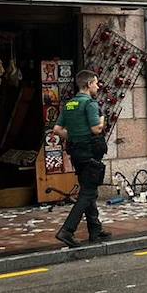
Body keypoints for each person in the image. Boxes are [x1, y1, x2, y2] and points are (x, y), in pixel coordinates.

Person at [53, 70, 110, 247]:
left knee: (88, 188)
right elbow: (96, 130)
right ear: (88, 85)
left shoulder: (70, 104)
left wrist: (71, 136)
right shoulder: (90, 104)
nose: (97, 86)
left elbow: (57, 129)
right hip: (90, 152)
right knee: (88, 193)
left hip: (76, 153)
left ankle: (95, 228)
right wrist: (102, 119)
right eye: (95, 83)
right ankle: (67, 231)